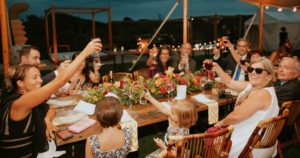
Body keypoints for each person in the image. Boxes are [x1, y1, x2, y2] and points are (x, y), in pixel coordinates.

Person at [0, 39, 102, 157]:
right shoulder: (19, 103)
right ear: (20, 84)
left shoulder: (32, 102)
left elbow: (50, 108)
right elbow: (60, 81)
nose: (40, 80)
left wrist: (47, 120)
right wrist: (86, 51)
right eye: (35, 78)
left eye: (39, 76)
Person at [207, 57, 279, 157]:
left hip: (248, 145)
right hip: (257, 140)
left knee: (208, 136)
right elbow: (229, 83)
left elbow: (235, 117)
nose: (253, 73)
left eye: (258, 71)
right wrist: (217, 68)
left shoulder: (262, 93)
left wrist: (220, 123)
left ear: (269, 76)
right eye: (250, 69)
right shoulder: (255, 86)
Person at [144, 93, 198, 157]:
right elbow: (163, 108)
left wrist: (163, 146)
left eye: (172, 113)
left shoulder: (179, 134)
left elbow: (178, 155)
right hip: (166, 149)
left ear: (181, 118)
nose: (170, 113)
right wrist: (150, 98)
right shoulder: (174, 120)